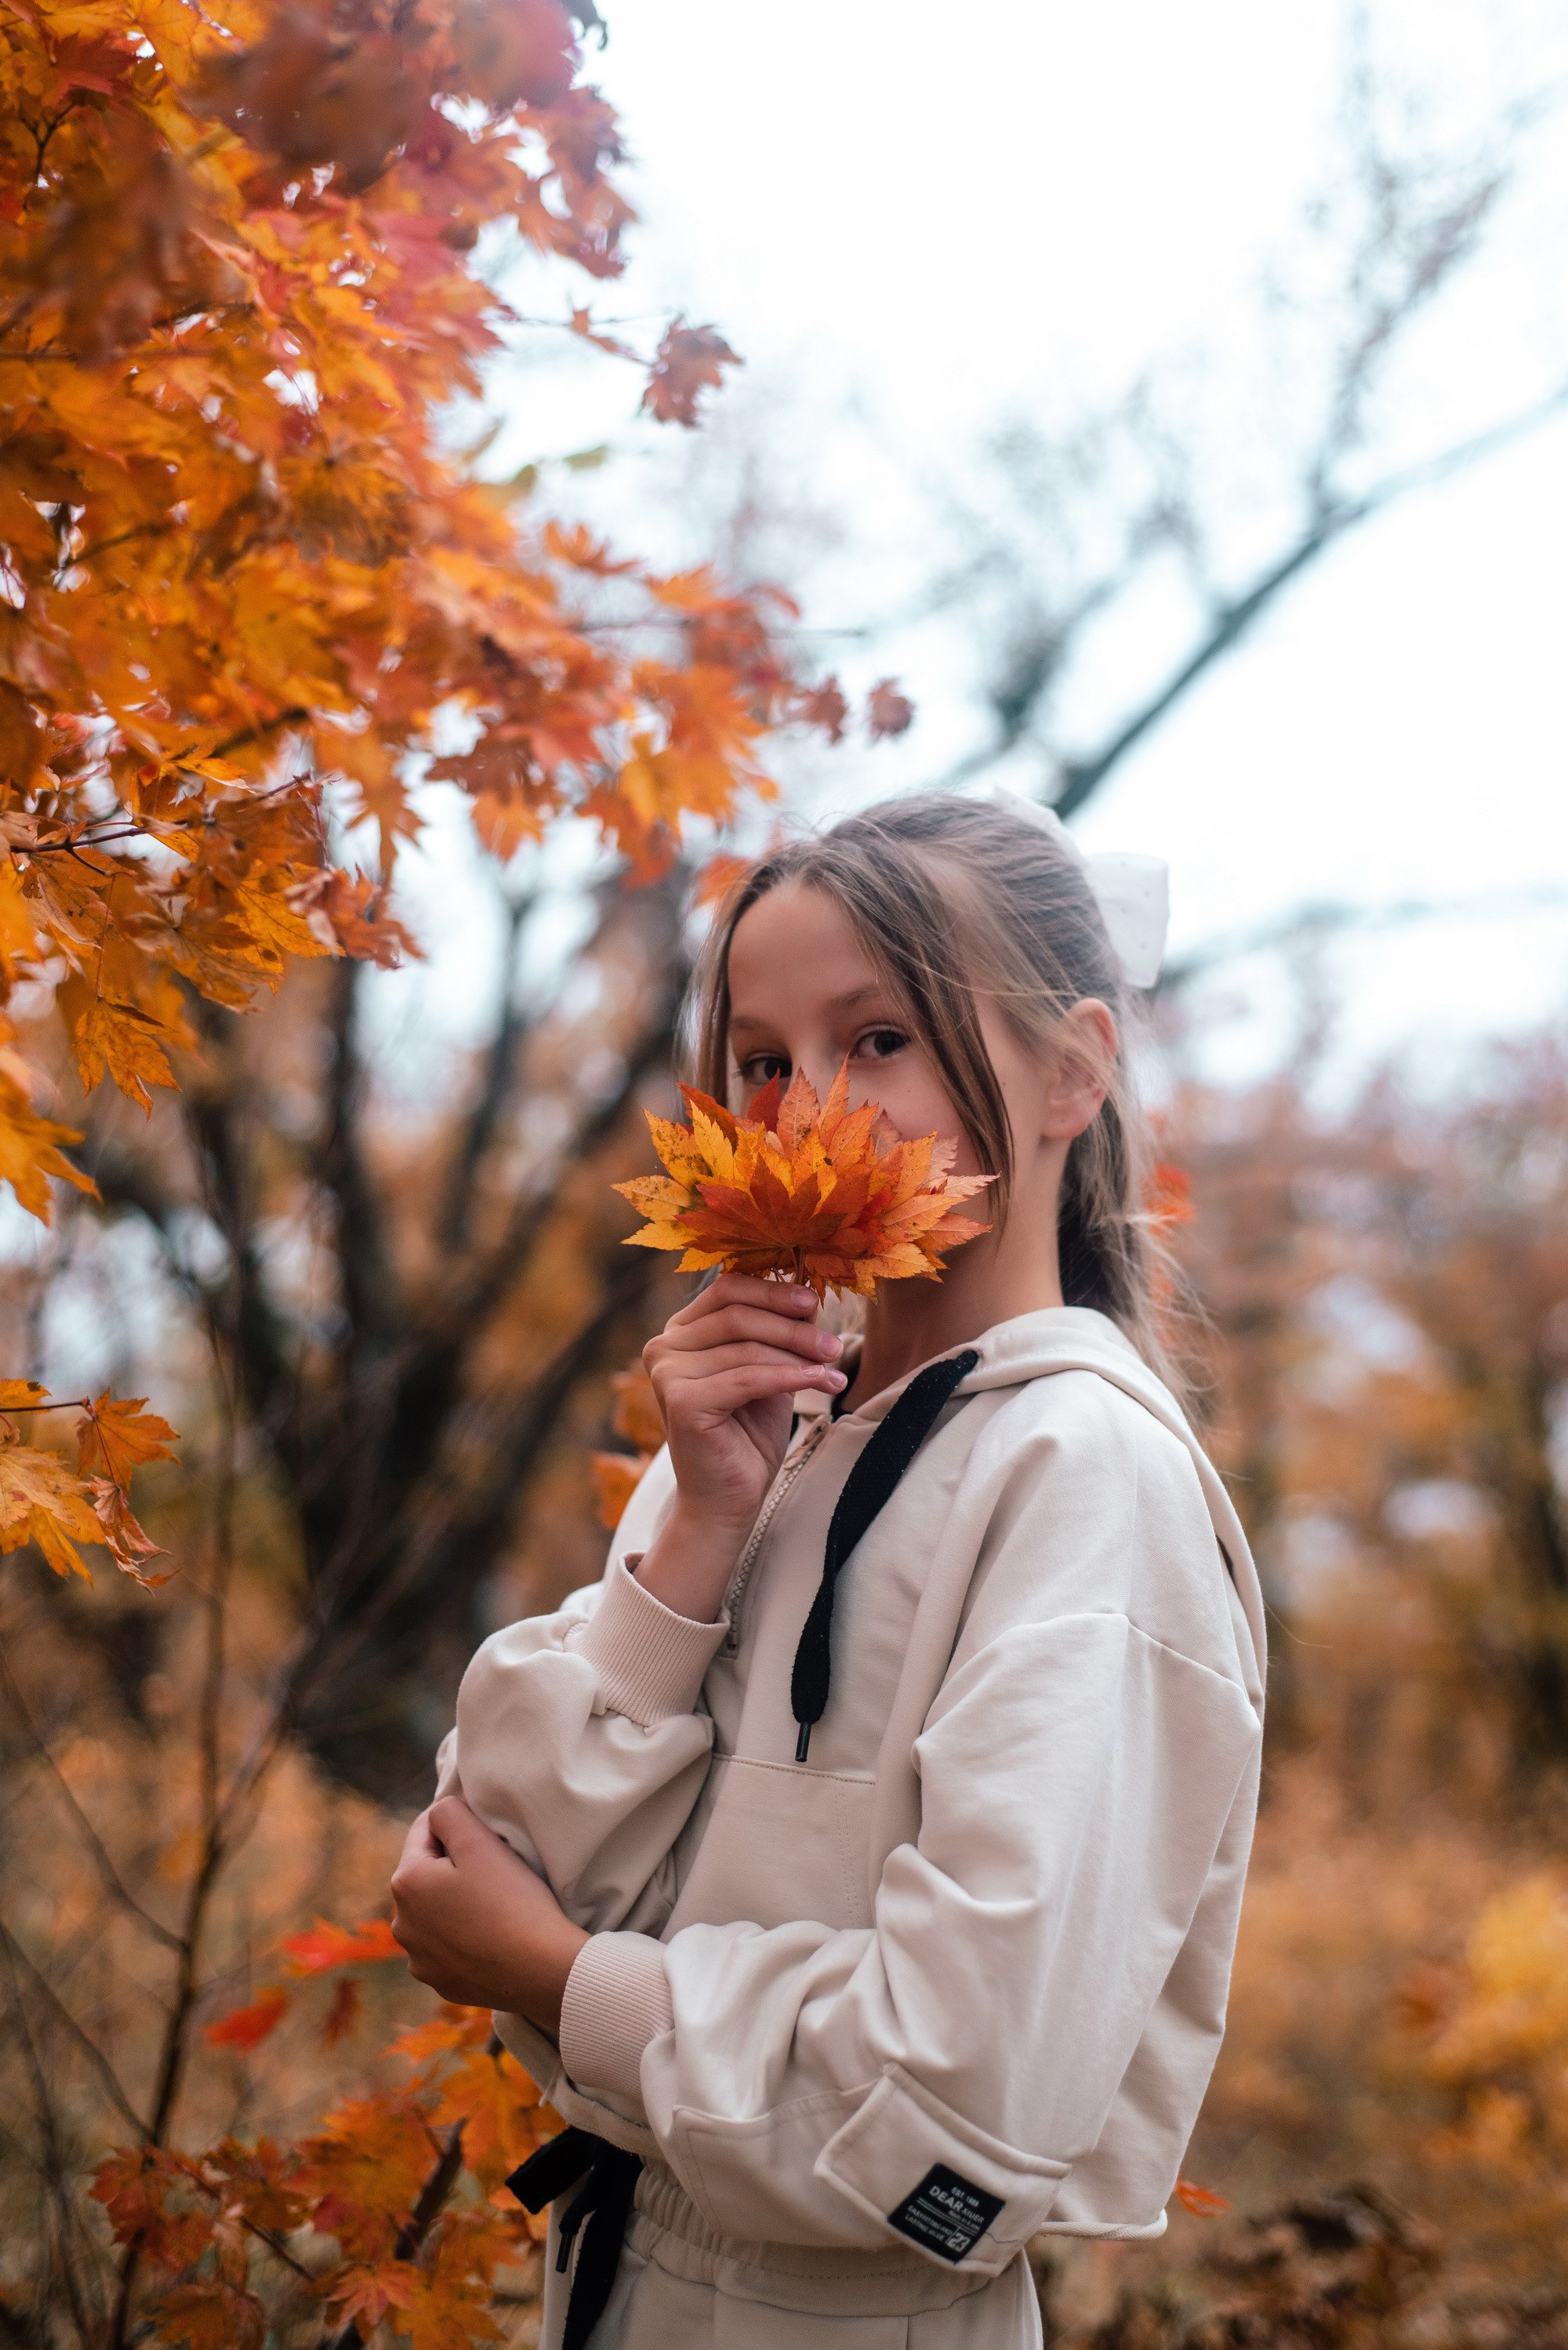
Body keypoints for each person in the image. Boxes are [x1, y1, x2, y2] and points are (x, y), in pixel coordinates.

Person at [389, 794, 1266, 2350]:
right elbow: (479, 1855)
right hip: (607, 2291)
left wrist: (569, 1980)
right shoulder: (743, 1437)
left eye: (877, 1042)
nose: (805, 1112)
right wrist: (698, 1542)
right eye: (762, 1059)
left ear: (1069, 1071)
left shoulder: (1085, 1482)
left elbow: (950, 2100)